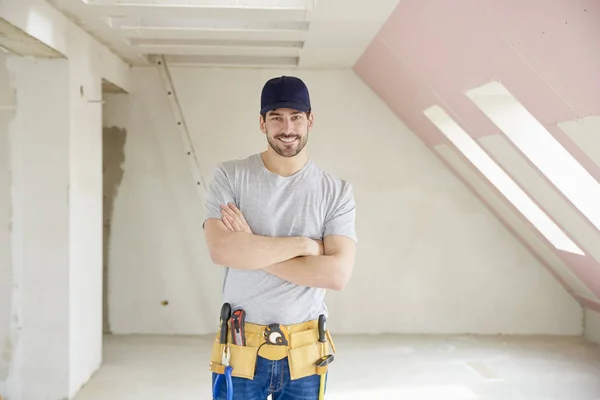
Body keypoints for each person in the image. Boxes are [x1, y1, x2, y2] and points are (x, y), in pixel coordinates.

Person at [203, 75, 357, 400]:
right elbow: (221, 250)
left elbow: (336, 275)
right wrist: (305, 246)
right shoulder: (229, 176)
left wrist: (251, 249)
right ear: (262, 123)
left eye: (296, 117)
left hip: (305, 351)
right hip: (241, 345)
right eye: (276, 117)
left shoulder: (336, 192)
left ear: (310, 120)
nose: (287, 128)